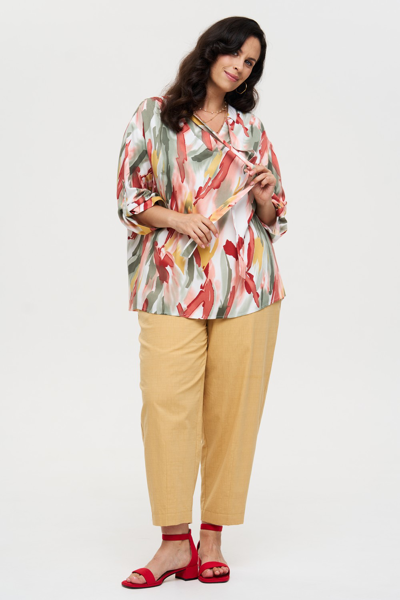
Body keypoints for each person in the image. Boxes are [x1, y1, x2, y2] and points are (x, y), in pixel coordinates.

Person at [116, 16, 288, 589]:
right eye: (234, 53)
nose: (240, 66)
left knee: (233, 412)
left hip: (248, 282)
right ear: (211, 51)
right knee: (167, 405)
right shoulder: (155, 115)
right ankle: (173, 543)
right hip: (170, 280)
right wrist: (177, 218)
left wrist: (265, 196)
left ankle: (211, 539)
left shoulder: (250, 127)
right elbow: (130, 197)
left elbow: (275, 216)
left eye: (251, 62)